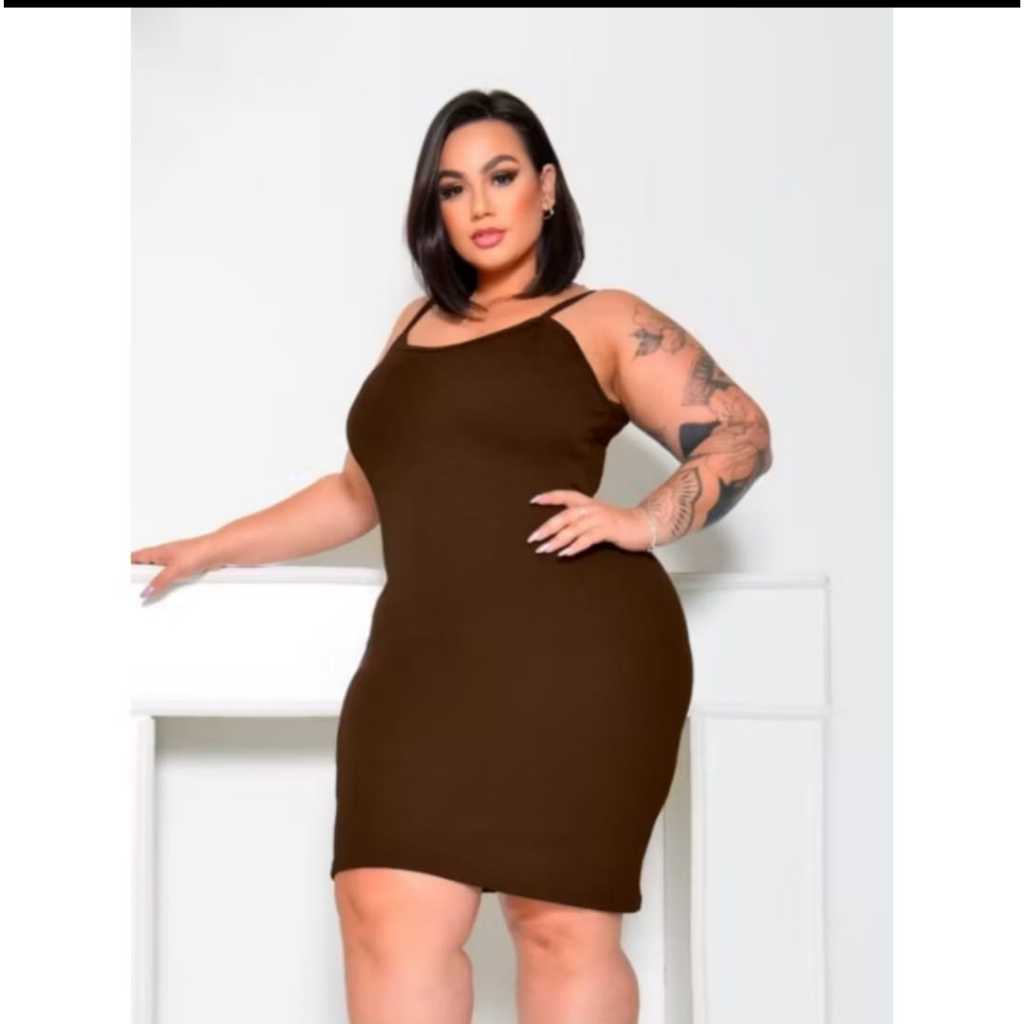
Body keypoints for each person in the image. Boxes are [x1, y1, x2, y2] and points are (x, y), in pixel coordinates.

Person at [132, 88, 773, 1024]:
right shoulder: (410, 328)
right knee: (384, 913)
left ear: (546, 188)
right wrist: (211, 548)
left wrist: (642, 520)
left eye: (501, 177)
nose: (479, 205)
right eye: (452, 187)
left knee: (558, 927)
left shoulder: (603, 319)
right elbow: (358, 494)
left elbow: (741, 432)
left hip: (580, 656)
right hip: (423, 664)